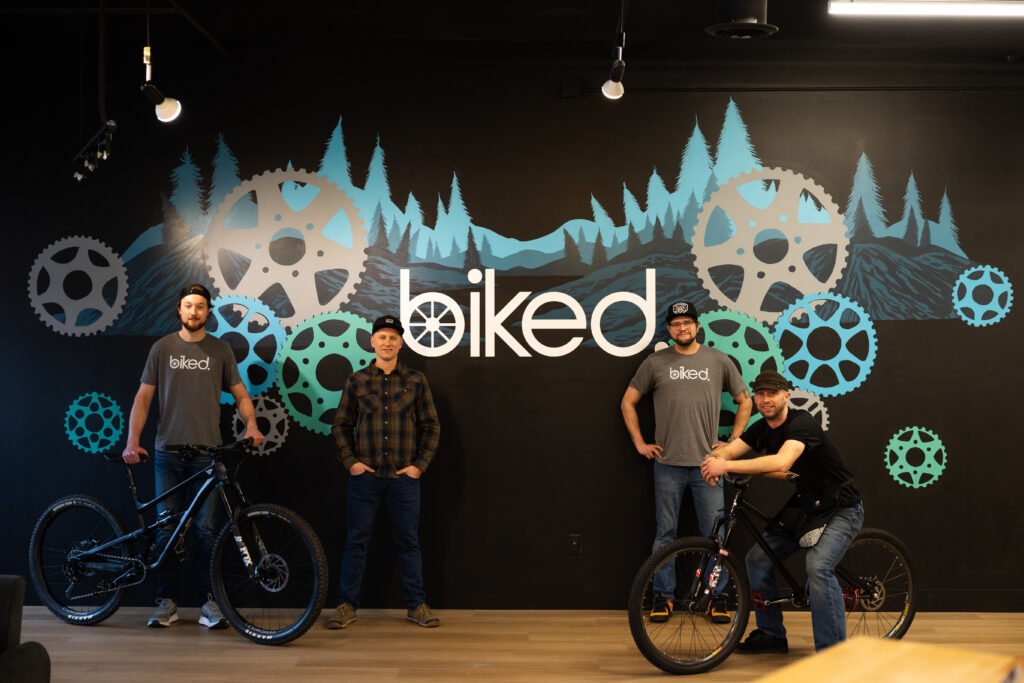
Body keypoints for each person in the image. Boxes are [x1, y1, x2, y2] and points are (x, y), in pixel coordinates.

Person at [122, 283, 264, 629]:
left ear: (207, 312)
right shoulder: (162, 348)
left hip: (207, 455)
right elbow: (143, 398)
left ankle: (209, 603)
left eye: (200, 306)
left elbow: (241, 394)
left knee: (206, 530)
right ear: (179, 310)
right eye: (188, 305)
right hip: (167, 453)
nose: (194, 312)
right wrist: (132, 441)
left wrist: (253, 425)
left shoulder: (221, 350)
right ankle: (166, 602)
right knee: (166, 529)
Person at [700, 370, 864, 653]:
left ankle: (834, 654)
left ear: (786, 396)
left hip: (841, 506)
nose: (766, 400)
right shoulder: (761, 427)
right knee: (757, 560)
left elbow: (782, 460)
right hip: (806, 503)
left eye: (772, 394)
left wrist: (727, 466)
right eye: (761, 394)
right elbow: (731, 451)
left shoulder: (802, 424)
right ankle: (771, 634)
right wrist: (714, 459)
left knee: (818, 568)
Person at [621, 300, 752, 624]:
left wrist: (734, 441)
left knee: (715, 536)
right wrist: (640, 443)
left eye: (688, 323)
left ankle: (716, 598)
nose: (683, 328)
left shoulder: (718, 360)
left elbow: (744, 399)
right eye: (676, 324)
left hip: (709, 465)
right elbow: (628, 401)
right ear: (669, 329)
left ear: (697, 326)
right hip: (667, 464)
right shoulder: (655, 362)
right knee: (665, 534)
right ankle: (662, 598)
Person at [328, 314, 442, 630]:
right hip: (366, 477)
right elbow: (341, 425)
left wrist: (419, 466)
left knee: (408, 541)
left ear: (401, 343)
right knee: (357, 541)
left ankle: (416, 605)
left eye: (393, 337)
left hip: (404, 479)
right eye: (382, 337)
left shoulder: (416, 380)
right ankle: (346, 606)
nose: (388, 342)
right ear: (372, 342)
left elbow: (431, 426)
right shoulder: (357, 380)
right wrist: (351, 462)